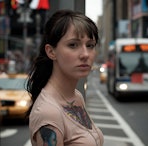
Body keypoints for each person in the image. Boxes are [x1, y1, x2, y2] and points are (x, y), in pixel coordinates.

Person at [26, 9, 104, 146]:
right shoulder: (48, 113)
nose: (85, 54)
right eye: (73, 45)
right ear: (51, 52)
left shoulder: (76, 96)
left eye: (90, 45)